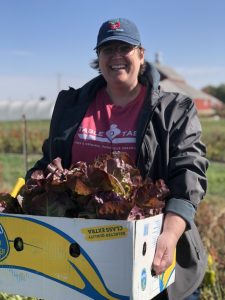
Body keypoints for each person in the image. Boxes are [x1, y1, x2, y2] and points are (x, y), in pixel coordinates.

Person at [26, 18, 208, 300]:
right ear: (98, 57)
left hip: (150, 253)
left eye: (125, 47)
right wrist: (19, 198)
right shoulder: (71, 105)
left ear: (141, 54)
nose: (116, 56)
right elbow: (50, 164)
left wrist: (171, 234)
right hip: (80, 256)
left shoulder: (173, 109)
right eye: (107, 49)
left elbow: (189, 173)